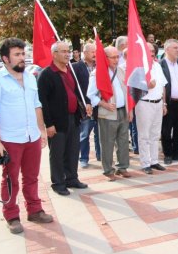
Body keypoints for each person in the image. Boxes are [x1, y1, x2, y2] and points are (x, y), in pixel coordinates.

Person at [0, 38, 53, 234]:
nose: (23, 58)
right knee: (11, 178)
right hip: (10, 139)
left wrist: (41, 130)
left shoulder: (30, 78)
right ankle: (11, 215)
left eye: (23, 54)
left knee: (32, 176)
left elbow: (37, 105)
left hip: (31, 137)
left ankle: (35, 210)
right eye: (17, 55)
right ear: (5, 58)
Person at [38, 41, 88, 195]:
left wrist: (87, 103)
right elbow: (42, 102)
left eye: (68, 51)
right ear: (54, 54)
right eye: (63, 51)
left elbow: (77, 92)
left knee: (73, 150)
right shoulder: (46, 74)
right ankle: (58, 183)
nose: (68, 54)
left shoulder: (70, 70)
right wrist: (49, 124)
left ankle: (72, 178)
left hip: (74, 118)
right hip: (57, 122)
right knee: (58, 153)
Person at [87, 46, 131, 181]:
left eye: (117, 56)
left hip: (123, 111)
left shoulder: (121, 71)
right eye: (113, 57)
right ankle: (108, 170)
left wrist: (130, 110)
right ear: (105, 58)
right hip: (107, 113)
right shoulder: (98, 73)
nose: (116, 60)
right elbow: (90, 95)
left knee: (123, 141)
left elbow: (127, 91)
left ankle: (122, 167)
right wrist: (103, 104)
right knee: (107, 142)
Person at [128, 43, 168, 174]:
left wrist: (164, 103)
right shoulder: (139, 67)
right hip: (144, 103)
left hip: (158, 103)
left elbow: (163, 85)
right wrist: (147, 85)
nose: (151, 52)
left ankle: (154, 161)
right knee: (144, 135)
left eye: (153, 50)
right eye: (148, 50)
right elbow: (132, 85)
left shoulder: (157, 65)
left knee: (155, 134)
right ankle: (145, 163)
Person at [72, 43, 100, 167]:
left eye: (96, 52)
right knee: (84, 134)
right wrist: (84, 104)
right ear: (85, 52)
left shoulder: (100, 66)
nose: (94, 54)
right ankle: (83, 158)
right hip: (85, 106)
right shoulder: (76, 67)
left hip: (99, 105)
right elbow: (75, 88)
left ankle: (101, 156)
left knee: (100, 133)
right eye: (92, 52)